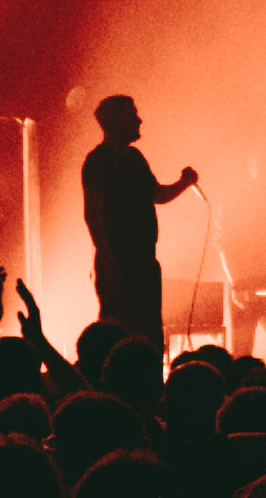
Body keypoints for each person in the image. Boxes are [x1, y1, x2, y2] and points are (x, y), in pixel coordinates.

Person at [78, 91, 196, 390]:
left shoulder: (134, 158)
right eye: (132, 114)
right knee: (116, 336)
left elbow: (157, 195)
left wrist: (184, 183)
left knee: (149, 335)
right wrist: (110, 262)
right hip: (118, 264)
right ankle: (111, 394)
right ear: (115, 121)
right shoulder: (98, 161)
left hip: (144, 262)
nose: (139, 119)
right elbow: (93, 215)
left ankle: (151, 393)